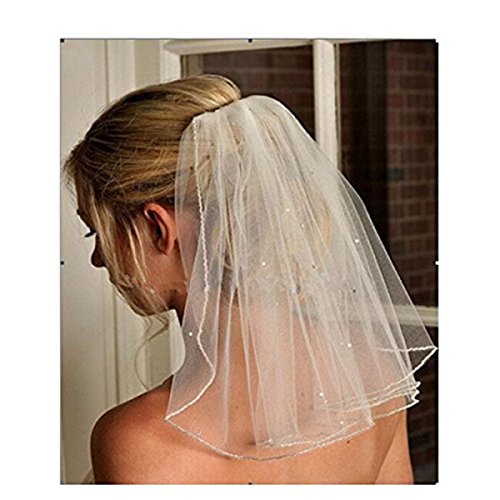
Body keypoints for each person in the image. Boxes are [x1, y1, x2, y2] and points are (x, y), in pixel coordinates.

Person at [63, 74, 437, 484]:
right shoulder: (376, 375)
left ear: (158, 227)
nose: (98, 258)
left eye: (96, 232)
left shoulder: (136, 442)